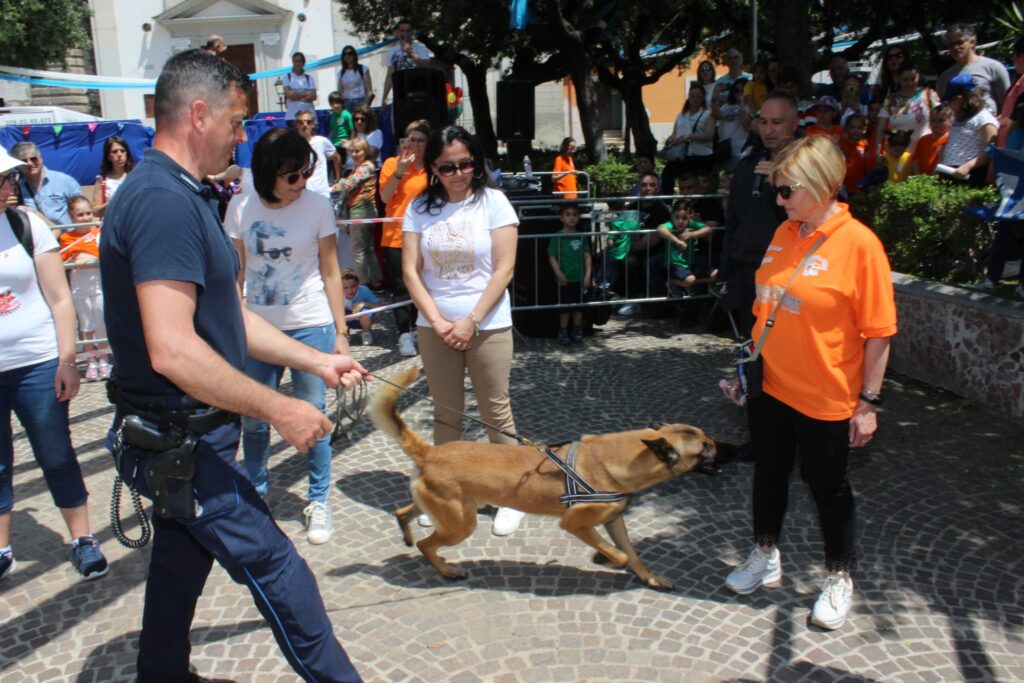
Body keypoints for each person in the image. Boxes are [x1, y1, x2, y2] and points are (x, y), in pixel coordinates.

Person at [99, 50, 364, 682]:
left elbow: (226, 318)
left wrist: (318, 362)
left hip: (186, 438)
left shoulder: (183, 194)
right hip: (182, 440)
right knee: (278, 567)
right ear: (198, 114)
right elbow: (174, 349)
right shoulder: (162, 201)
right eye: (236, 122)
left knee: (178, 564)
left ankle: (160, 676)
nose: (241, 138)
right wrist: (280, 408)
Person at [723, 135, 897, 632]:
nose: (779, 201)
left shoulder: (860, 244)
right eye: (776, 190)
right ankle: (765, 554)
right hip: (771, 387)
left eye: (787, 190)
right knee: (768, 474)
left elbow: (879, 332)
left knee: (828, 488)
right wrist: (744, 371)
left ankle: (839, 576)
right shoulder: (784, 233)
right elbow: (765, 310)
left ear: (823, 185)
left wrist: (867, 402)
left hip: (826, 396)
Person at [225, 126, 349, 544]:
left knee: (313, 413)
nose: (301, 183)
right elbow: (236, 275)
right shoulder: (240, 209)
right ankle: (256, 494)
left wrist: (342, 333)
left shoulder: (318, 206)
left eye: (305, 172)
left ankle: (318, 500)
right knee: (256, 416)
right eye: (291, 175)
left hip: (311, 322)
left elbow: (331, 271)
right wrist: (233, 325)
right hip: (257, 329)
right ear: (266, 173)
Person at [401, 125, 526, 536]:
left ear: (476, 160)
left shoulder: (494, 202)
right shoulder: (420, 207)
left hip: (488, 323)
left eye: (465, 164)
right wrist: (438, 322)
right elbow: (410, 271)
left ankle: (512, 494)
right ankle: (444, 492)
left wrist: (470, 320)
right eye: (447, 167)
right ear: (433, 168)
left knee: (495, 410)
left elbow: (505, 268)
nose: (458, 173)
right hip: (435, 326)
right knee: (446, 412)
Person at [0, 149, 109, 583]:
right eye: (3, 178)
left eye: (10, 177)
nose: (10, 184)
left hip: (37, 361)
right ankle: (3, 547)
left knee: (56, 452)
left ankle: (82, 539)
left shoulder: (26, 224)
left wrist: (69, 360)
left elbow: (61, 297)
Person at [718, 92, 800, 339]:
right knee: (750, 348)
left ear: (794, 124)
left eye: (777, 122)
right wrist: (725, 271)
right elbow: (732, 220)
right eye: (763, 122)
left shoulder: (809, 166)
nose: (769, 130)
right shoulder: (749, 162)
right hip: (747, 274)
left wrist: (782, 182)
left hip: (789, 275)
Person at [379, 119, 431, 357]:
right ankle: (404, 334)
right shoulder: (391, 164)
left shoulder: (433, 167)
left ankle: (422, 327)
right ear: (403, 142)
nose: (415, 145)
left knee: (426, 284)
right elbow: (384, 197)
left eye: (421, 140)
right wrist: (400, 171)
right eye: (411, 140)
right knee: (401, 286)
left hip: (427, 236)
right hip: (395, 236)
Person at [60, 195, 110, 381]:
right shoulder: (66, 237)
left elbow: (104, 253)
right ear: (71, 216)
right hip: (80, 286)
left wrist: (86, 257)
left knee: (101, 321)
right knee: (87, 324)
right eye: (80, 214)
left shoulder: (99, 232)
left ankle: (104, 358)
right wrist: (76, 259)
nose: (86, 217)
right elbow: (62, 259)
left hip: (98, 284)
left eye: (88, 213)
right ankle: (91, 360)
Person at [332, 137, 382, 289]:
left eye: (357, 151)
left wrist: (333, 186)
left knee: (358, 250)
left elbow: (348, 184)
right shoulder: (363, 166)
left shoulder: (365, 167)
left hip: (361, 212)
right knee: (368, 249)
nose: (354, 154)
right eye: (352, 151)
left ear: (365, 151)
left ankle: (363, 285)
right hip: (365, 211)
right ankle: (376, 282)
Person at [937, 24, 1010, 116]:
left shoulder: (994, 67)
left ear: (973, 42)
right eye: (951, 44)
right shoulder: (945, 77)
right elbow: (944, 109)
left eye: (960, 42)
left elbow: (1008, 106)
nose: (955, 47)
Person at [874, 62, 939, 162]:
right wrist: (878, 152)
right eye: (905, 80)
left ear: (919, 76)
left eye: (913, 79)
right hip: (897, 154)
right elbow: (881, 128)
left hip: (923, 152)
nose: (909, 83)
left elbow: (941, 119)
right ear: (898, 79)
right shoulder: (891, 100)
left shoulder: (929, 95)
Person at [940, 74, 998, 186]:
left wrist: (968, 166)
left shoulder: (983, 118)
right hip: (951, 173)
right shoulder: (957, 118)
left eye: (950, 100)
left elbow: (992, 149)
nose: (948, 105)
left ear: (960, 99)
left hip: (972, 174)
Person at [547, 203, 591, 344]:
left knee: (578, 306)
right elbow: (552, 256)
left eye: (574, 214)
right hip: (565, 278)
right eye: (568, 214)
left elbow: (587, 256)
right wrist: (559, 274)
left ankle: (577, 328)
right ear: (561, 218)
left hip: (579, 277)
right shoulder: (557, 236)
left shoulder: (582, 236)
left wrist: (588, 275)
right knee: (565, 307)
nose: (571, 218)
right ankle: (563, 330)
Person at [662, 84, 715, 197]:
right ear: (689, 97)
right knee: (667, 175)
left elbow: (709, 136)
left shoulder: (707, 114)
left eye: (698, 96)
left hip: (701, 156)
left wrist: (689, 136)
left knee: (701, 186)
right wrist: (671, 140)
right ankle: (669, 204)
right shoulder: (681, 115)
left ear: (703, 98)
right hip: (683, 156)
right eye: (692, 96)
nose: (695, 99)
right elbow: (674, 134)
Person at [11, 141, 81, 226]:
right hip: (38, 238)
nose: (30, 163)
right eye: (24, 161)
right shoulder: (17, 188)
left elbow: (81, 210)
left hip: (66, 237)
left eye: (33, 159)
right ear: (18, 165)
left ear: (40, 158)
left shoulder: (65, 181)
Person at [657, 198, 710, 298]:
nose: (680, 221)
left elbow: (708, 229)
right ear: (672, 216)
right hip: (675, 265)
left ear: (690, 217)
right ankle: (672, 281)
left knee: (716, 274)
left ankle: (683, 283)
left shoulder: (690, 225)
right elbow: (660, 229)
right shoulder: (670, 225)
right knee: (690, 280)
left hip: (690, 264)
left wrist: (692, 234)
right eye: (677, 217)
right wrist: (677, 241)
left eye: (684, 218)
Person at [381, 19, 432, 105]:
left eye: (408, 30)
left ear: (412, 32)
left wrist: (411, 53)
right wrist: (384, 98)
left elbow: (427, 67)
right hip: (399, 92)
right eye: (402, 31)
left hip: (417, 91)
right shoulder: (391, 51)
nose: (405, 33)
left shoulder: (421, 48)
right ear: (397, 32)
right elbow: (389, 76)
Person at [294, 109, 340, 198]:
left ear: (313, 125)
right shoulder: (292, 145)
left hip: (322, 193)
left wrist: (337, 179)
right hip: (302, 194)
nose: (305, 125)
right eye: (301, 122)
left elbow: (336, 158)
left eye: (308, 122)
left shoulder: (321, 141)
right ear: (296, 125)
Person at [714, 77, 753, 171]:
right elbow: (716, 117)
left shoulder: (750, 107)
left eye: (742, 91)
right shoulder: (725, 106)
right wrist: (715, 96)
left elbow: (747, 126)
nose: (739, 93)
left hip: (741, 151)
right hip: (725, 150)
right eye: (736, 90)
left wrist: (742, 105)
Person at [90, 135, 135, 216]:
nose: (119, 154)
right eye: (114, 152)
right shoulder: (102, 180)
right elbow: (94, 211)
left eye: (122, 151)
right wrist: (110, 204)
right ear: (108, 157)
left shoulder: (135, 176)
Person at [342, 270, 383, 345]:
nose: (350, 291)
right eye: (345, 288)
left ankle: (365, 333)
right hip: (345, 319)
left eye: (353, 286)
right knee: (336, 316)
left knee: (365, 311)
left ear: (358, 283)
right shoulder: (337, 294)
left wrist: (364, 303)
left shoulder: (364, 290)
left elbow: (381, 306)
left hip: (363, 318)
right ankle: (344, 334)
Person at [911, 106, 952, 176]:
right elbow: (915, 161)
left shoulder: (950, 141)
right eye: (933, 120)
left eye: (941, 120)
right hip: (923, 179)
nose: (936, 124)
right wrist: (918, 178)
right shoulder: (923, 140)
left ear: (951, 121)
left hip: (942, 180)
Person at [840, 113, 873, 193]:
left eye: (859, 128)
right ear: (847, 128)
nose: (855, 130)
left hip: (860, 185)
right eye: (852, 127)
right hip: (845, 186)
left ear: (864, 129)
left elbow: (868, 166)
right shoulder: (842, 144)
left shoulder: (866, 145)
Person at [346, 105, 383, 171]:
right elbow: (349, 154)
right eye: (356, 119)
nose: (359, 122)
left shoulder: (376, 133)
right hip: (352, 169)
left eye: (362, 119)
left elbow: (372, 156)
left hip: (367, 171)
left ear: (369, 121)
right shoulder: (354, 134)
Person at [338, 45, 374, 111]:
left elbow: (369, 90)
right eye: (344, 54)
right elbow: (340, 91)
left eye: (349, 53)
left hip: (360, 101)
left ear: (354, 55)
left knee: (360, 121)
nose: (347, 56)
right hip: (346, 102)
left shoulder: (363, 69)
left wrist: (366, 105)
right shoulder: (341, 72)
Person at [283, 51, 317, 121]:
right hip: (292, 116)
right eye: (295, 61)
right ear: (293, 62)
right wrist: (305, 93)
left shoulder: (309, 78)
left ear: (303, 63)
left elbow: (313, 96)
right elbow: (289, 95)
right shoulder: (287, 77)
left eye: (299, 61)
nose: (297, 63)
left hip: (308, 116)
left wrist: (295, 93)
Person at [327, 91, 354, 170]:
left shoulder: (346, 114)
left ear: (342, 103)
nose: (335, 105)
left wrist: (350, 143)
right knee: (333, 165)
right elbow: (332, 130)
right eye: (333, 103)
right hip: (334, 143)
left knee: (342, 164)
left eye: (337, 103)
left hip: (343, 144)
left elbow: (352, 129)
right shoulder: (332, 115)